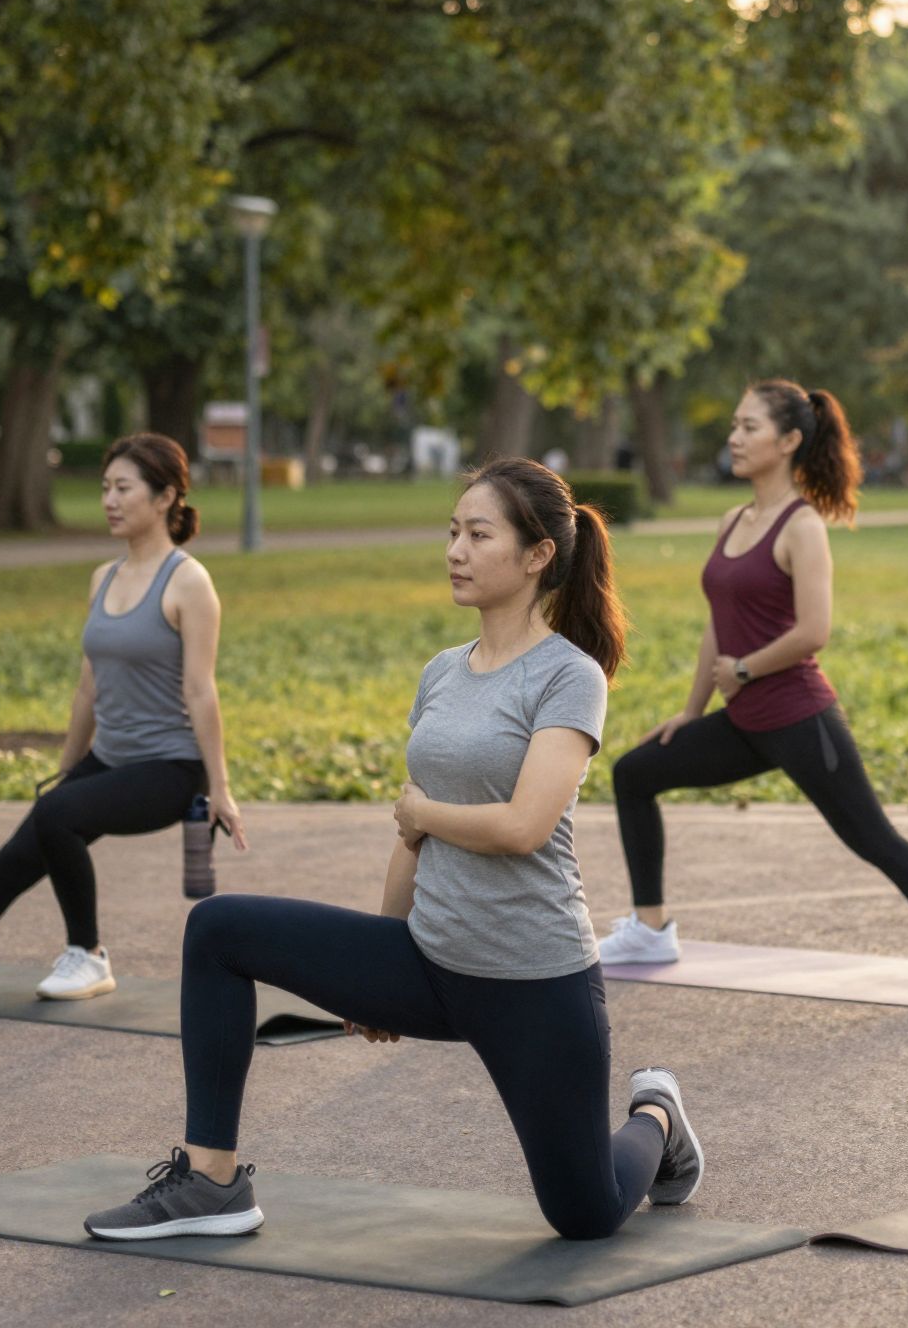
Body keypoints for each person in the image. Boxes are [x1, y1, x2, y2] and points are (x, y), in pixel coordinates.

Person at [82, 460, 700, 1243]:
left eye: (479, 535)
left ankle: (657, 1114)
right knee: (219, 930)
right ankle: (211, 1183)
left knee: (585, 1213)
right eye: (452, 532)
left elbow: (523, 827)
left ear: (538, 555)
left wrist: (423, 809)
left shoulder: (569, 677)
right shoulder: (443, 672)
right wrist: (374, 970)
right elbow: (412, 836)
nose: (456, 550)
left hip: (532, 979)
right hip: (427, 960)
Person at [599, 381, 908, 996]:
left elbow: (814, 631)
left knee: (872, 838)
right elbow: (720, 618)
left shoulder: (802, 525)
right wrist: (690, 710)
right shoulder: (734, 518)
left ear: (788, 441)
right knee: (635, 773)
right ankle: (650, 928)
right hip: (744, 723)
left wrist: (746, 670)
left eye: (749, 427)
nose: (734, 437)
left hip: (797, 717)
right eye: (734, 424)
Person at [0, 433, 245, 999]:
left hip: (169, 768)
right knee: (7, 868)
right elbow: (88, 688)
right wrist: (67, 770)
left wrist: (221, 789)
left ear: (164, 498)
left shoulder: (189, 581)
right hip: (106, 761)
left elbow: (201, 691)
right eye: (105, 487)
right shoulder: (102, 578)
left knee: (58, 816)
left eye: (123, 488)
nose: (109, 500)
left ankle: (87, 955)